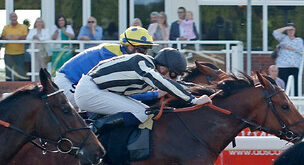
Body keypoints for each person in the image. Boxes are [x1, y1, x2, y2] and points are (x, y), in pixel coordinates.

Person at [75, 47, 211, 134]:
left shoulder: (149, 68)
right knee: (141, 113)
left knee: (146, 112)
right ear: (163, 68)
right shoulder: (143, 63)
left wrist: (209, 90)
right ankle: (92, 130)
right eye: (174, 74)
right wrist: (194, 100)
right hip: (90, 91)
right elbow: (163, 82)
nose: (175, 79)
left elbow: (177, 84)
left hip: (99, 91)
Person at [55, 26, 155, 108]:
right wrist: (155, 94)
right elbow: (123, 93)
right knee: (113, 102)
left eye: (147, 50)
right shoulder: (114, 57)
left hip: (76, 82)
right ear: (130, 47)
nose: (145, 54)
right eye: (143, 49)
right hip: (67, 82)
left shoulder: (119, 53)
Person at [271, 23, 304, 93]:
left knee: (295, 85)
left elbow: (300, 50)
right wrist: (286, 28)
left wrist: (287, 47)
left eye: (292, 29)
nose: (290, 31)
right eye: (289, 30)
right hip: (282, 65)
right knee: (282, 84)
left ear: (295, 30)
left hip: (294, 65)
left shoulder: (299, 40)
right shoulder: (283, 38)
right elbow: (275, 33)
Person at [2, 12, 29, 81]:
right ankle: (8, 86)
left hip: (20, 53)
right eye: (12, 17)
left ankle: (20, 87)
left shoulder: (23, 27)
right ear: (10, 18)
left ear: (17, 17)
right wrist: (6, 37)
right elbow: (2, 37)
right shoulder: (6, 27)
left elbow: (25, 37)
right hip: (8, 53)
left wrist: (18, 37)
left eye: (15, 16)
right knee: (8, 71)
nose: (13, 18)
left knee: (20, 70)